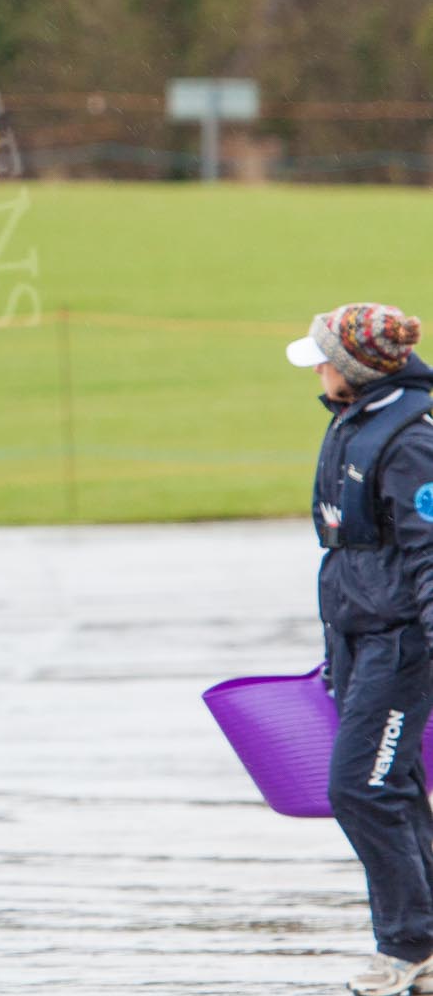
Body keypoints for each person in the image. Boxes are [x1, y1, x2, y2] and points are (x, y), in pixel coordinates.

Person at [287, 303, 433, 996]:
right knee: (393, 783)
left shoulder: (410, 438)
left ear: (350, 371)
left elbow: (428, 551)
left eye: (322, 359)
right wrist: (333, 643)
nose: (315, 369)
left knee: (361, 787)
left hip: (402, 641)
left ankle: (408, 946)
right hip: (358, 634)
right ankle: (424, 944)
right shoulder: (357, 419)